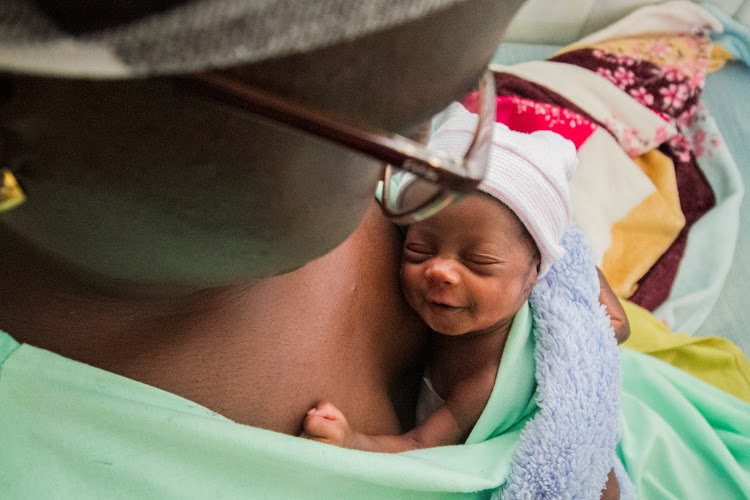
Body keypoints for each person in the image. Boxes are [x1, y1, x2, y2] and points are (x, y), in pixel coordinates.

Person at [301, 111, 607, 452]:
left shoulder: (487, 378)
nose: (440, 271)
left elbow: (421, 445)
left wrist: (350, 440)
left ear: (533, 275)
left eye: (479, 262)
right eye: (418, 251)